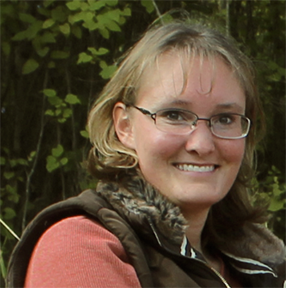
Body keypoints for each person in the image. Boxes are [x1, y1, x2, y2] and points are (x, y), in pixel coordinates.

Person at [7, 21, 285, 288]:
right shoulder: (79, 247)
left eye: (225, 118)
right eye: (174, 115)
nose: (202, 143)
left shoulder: (259, 263)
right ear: (124, 126)